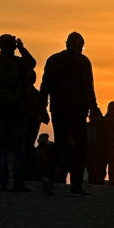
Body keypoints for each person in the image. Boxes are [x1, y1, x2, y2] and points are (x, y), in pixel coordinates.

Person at [39, 32, 99, 196]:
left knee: (59, 144)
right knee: (80, 146)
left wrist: (42, 107)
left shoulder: (53, 60)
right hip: (77, 110)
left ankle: (48, 176)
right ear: (80, 46)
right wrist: (94, 108)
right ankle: (76, 183)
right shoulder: (83, 62)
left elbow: (45, 86)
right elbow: (88, 87)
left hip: (58, 109)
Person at [0, 34, 36, 192]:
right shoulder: (19, 63)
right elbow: (32, 63)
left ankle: (3, 180)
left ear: (0, 46)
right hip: (17, 109)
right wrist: (22, 48)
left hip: (0, 109)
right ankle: (18, 182)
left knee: (0, 146)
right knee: (18, 147)